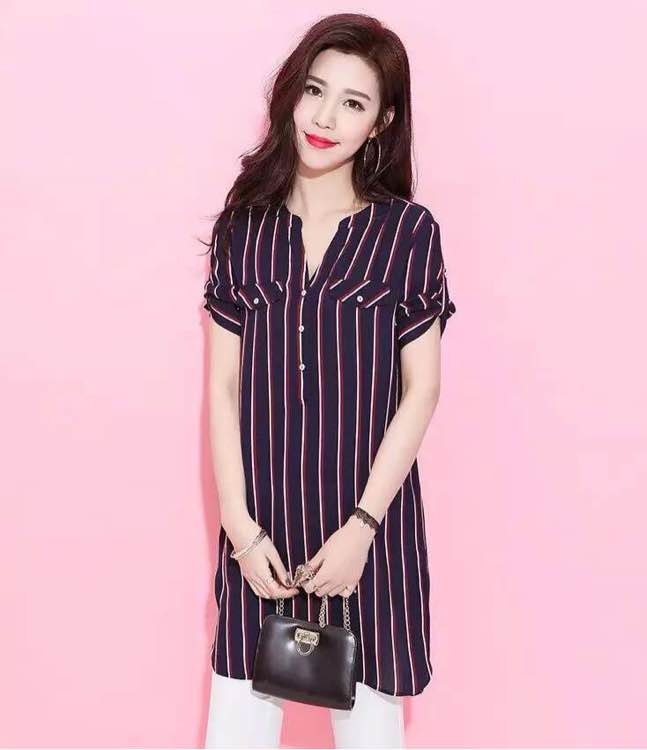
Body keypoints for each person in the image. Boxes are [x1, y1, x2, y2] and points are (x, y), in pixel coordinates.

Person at [201, 12, 457, 749]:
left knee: (372, 734)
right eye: (315, 91)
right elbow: (223, 388)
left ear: (382, 121)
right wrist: (240, 529)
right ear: (291, 93)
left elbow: (422, 389)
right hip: (260, 540)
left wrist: (363, 527)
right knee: (235, 733)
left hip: (368, 537)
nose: (325, 118)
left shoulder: (407, 233)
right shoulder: (244, 229)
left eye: (353, 102)